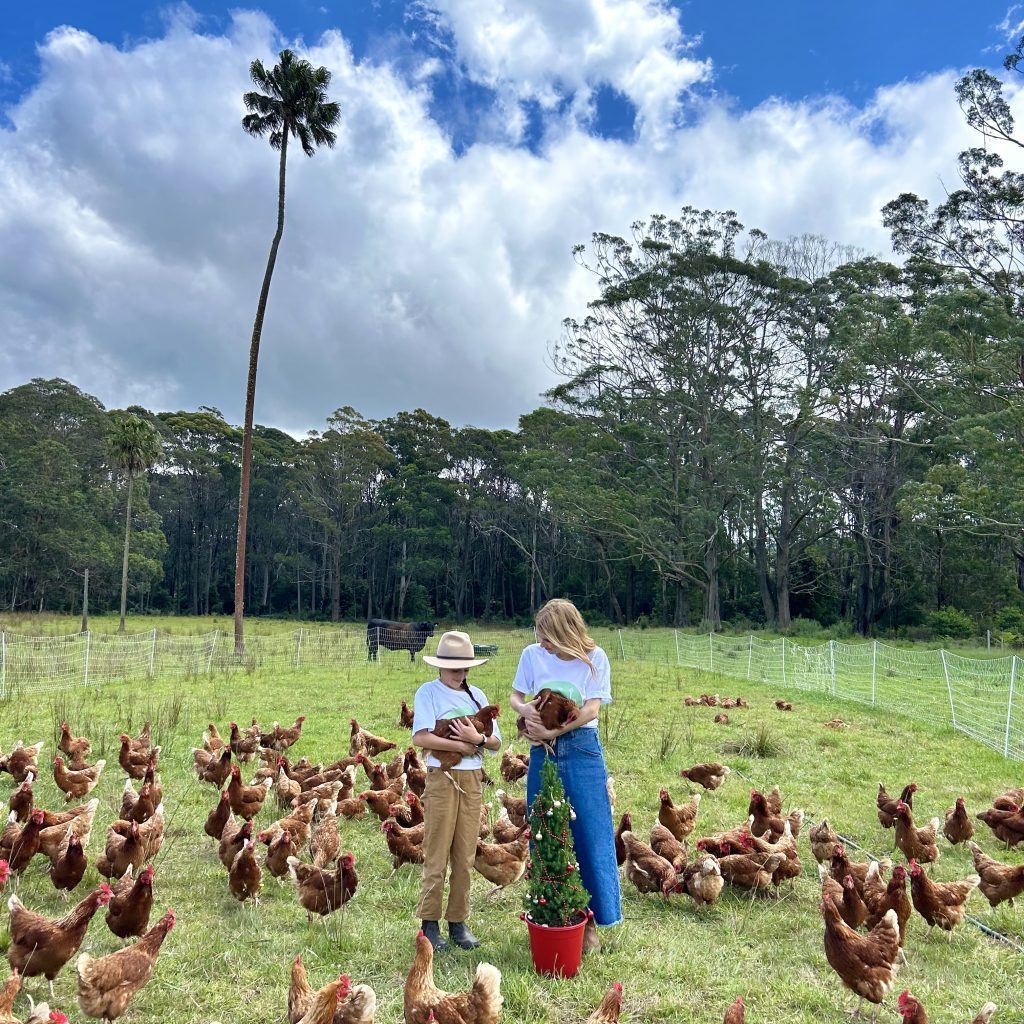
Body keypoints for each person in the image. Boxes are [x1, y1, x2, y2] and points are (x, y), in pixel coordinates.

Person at [510, 598, 621, 952]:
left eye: (548, 638)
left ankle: (590, 923)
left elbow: (590, 710)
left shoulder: (595, 658)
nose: (542, 644)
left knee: (590, 833)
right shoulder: (531, 655)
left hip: (582, 748)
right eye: (540, 638)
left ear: (565, 632)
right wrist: (525, 709)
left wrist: (551, 734)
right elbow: (515, 696)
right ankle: (552, 917)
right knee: (545, 834)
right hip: (542, 752)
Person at [412, 630, 502, 951]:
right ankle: (429, 924)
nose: (460, 674)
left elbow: (495, 742)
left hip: (473, 780)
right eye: (454, 669)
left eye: (464, 669)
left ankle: (458, 923)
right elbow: (421, 738)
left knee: (465, 855)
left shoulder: (477, 695)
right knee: (436, 852)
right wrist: (459, 745)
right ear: (440, 667)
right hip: (442, 778)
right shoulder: (428, 693)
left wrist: (476, 740)